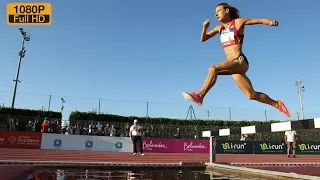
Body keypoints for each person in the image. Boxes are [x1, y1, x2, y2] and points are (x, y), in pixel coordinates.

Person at [182, 3, 290, 117]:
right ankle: (277, 104)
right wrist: (205, 27)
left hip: (240, 61)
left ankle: (200, 95)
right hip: (233, 66)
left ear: (227, 10)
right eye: (215, 12)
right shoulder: (220, 28)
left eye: (218, 11)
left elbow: (259, 20)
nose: (216, 14)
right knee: (251, 95)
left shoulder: (238, 22)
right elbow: (203, 39)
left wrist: (270, 22)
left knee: (213, 69)